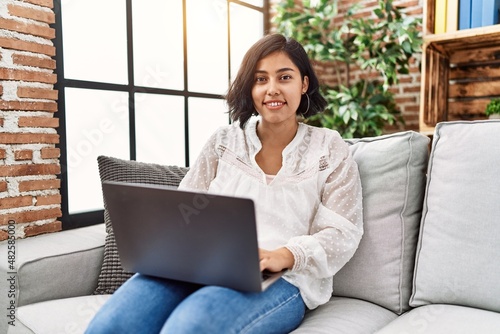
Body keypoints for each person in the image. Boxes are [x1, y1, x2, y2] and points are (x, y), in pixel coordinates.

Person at [85, 33, 363, 334]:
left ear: (304, 84)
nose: (272, 89)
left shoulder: (329, 148)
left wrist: (284, 255)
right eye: (260, 79)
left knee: (190, 327)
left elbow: (343, 231)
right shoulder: (224, 141)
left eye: (284, 77)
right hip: (199, 263)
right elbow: (185, 207)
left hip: (284, 277)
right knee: (111, 325)